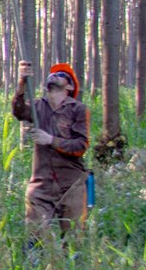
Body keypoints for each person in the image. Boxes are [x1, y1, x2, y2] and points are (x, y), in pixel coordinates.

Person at [12, 61, 91, 236]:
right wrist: (21, 82)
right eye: (52, 74)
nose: (54, 75)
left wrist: (50, 140)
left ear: (69, 86)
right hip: (41, 185)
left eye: (61, 75)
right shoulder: (38, 106)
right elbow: (18, 111)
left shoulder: (78, 109)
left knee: (74, 240)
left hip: (72, 185)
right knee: (35, 237)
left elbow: (81, 146)